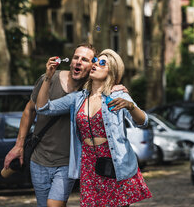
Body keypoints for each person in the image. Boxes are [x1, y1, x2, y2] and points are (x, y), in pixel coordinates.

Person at [36, 49, 152, 207]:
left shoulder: (118, 95)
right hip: (88, 163)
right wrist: (48, 77)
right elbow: (43, 108)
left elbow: (144, 121)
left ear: (112, 71)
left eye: (102, 63)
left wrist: (131, 106)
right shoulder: (78, 99)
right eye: (96, 60)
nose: (96, 64)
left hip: (114, 162)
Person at [3, 44, 97, 207]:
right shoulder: (50, 79)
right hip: (39, 159)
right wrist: (19, 145)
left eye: (84, 59)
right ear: (71, 61)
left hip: (67, 163)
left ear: (91, 66)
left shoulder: (90, 91)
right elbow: (29, 111)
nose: (78, 62)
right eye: (76, 57)